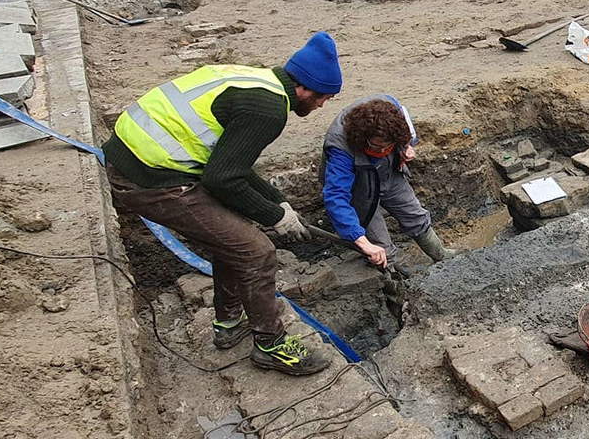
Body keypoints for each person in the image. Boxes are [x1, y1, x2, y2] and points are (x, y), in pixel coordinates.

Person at [103, 33, 344, 377]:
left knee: (232, 239)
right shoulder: (269, 110)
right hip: (149, 178)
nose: (322, 106)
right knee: (257, 250)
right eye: (324, 98)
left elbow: (233, 166)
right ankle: (271, 346)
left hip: (143, 159)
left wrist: (280, 202)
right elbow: (222, 179)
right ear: (306, 89)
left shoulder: (259, 82)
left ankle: (229, 323)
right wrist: (273, 217)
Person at [320, 94, 450, 268]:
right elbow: (336, 197)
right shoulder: (340, 147)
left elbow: (408, 132)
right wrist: (361, 241)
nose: (382, 149)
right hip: (358, 183)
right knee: (381, 248)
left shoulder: (393, 109)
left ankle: (441, 255)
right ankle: (395, 280)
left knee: (415, 215)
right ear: (363, 138)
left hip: (388, 170)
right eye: (377, 146)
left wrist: (406, 146)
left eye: (387, 145)